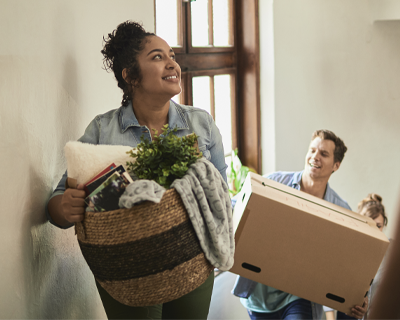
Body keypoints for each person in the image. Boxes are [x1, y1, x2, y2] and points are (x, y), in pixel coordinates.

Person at [46, 21, 227, 319]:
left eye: (171, 55)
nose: (172, 63)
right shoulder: (103, 130)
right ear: (130, 75)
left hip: (193, 261)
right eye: (157, 57)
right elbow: (58, 205)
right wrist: (65, 207)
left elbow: (222, 197)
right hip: (125, 270)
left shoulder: (201, 124)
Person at [232, 129, 368, 320]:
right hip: (259, 295)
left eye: (324, 154)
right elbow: (234, 205)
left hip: (300, 296)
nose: (315, 157)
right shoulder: (274, 182)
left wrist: (359, 298)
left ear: (336, 165)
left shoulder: (341, 211)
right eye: (312, 150)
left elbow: (352, 264)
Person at [324, 193, 389, 320]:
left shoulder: (391, 254)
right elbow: (330, 285)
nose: (375, 230)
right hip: (347, 314)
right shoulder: (348, 249)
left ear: (384, 225)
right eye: (369, 224)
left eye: (379, 226)